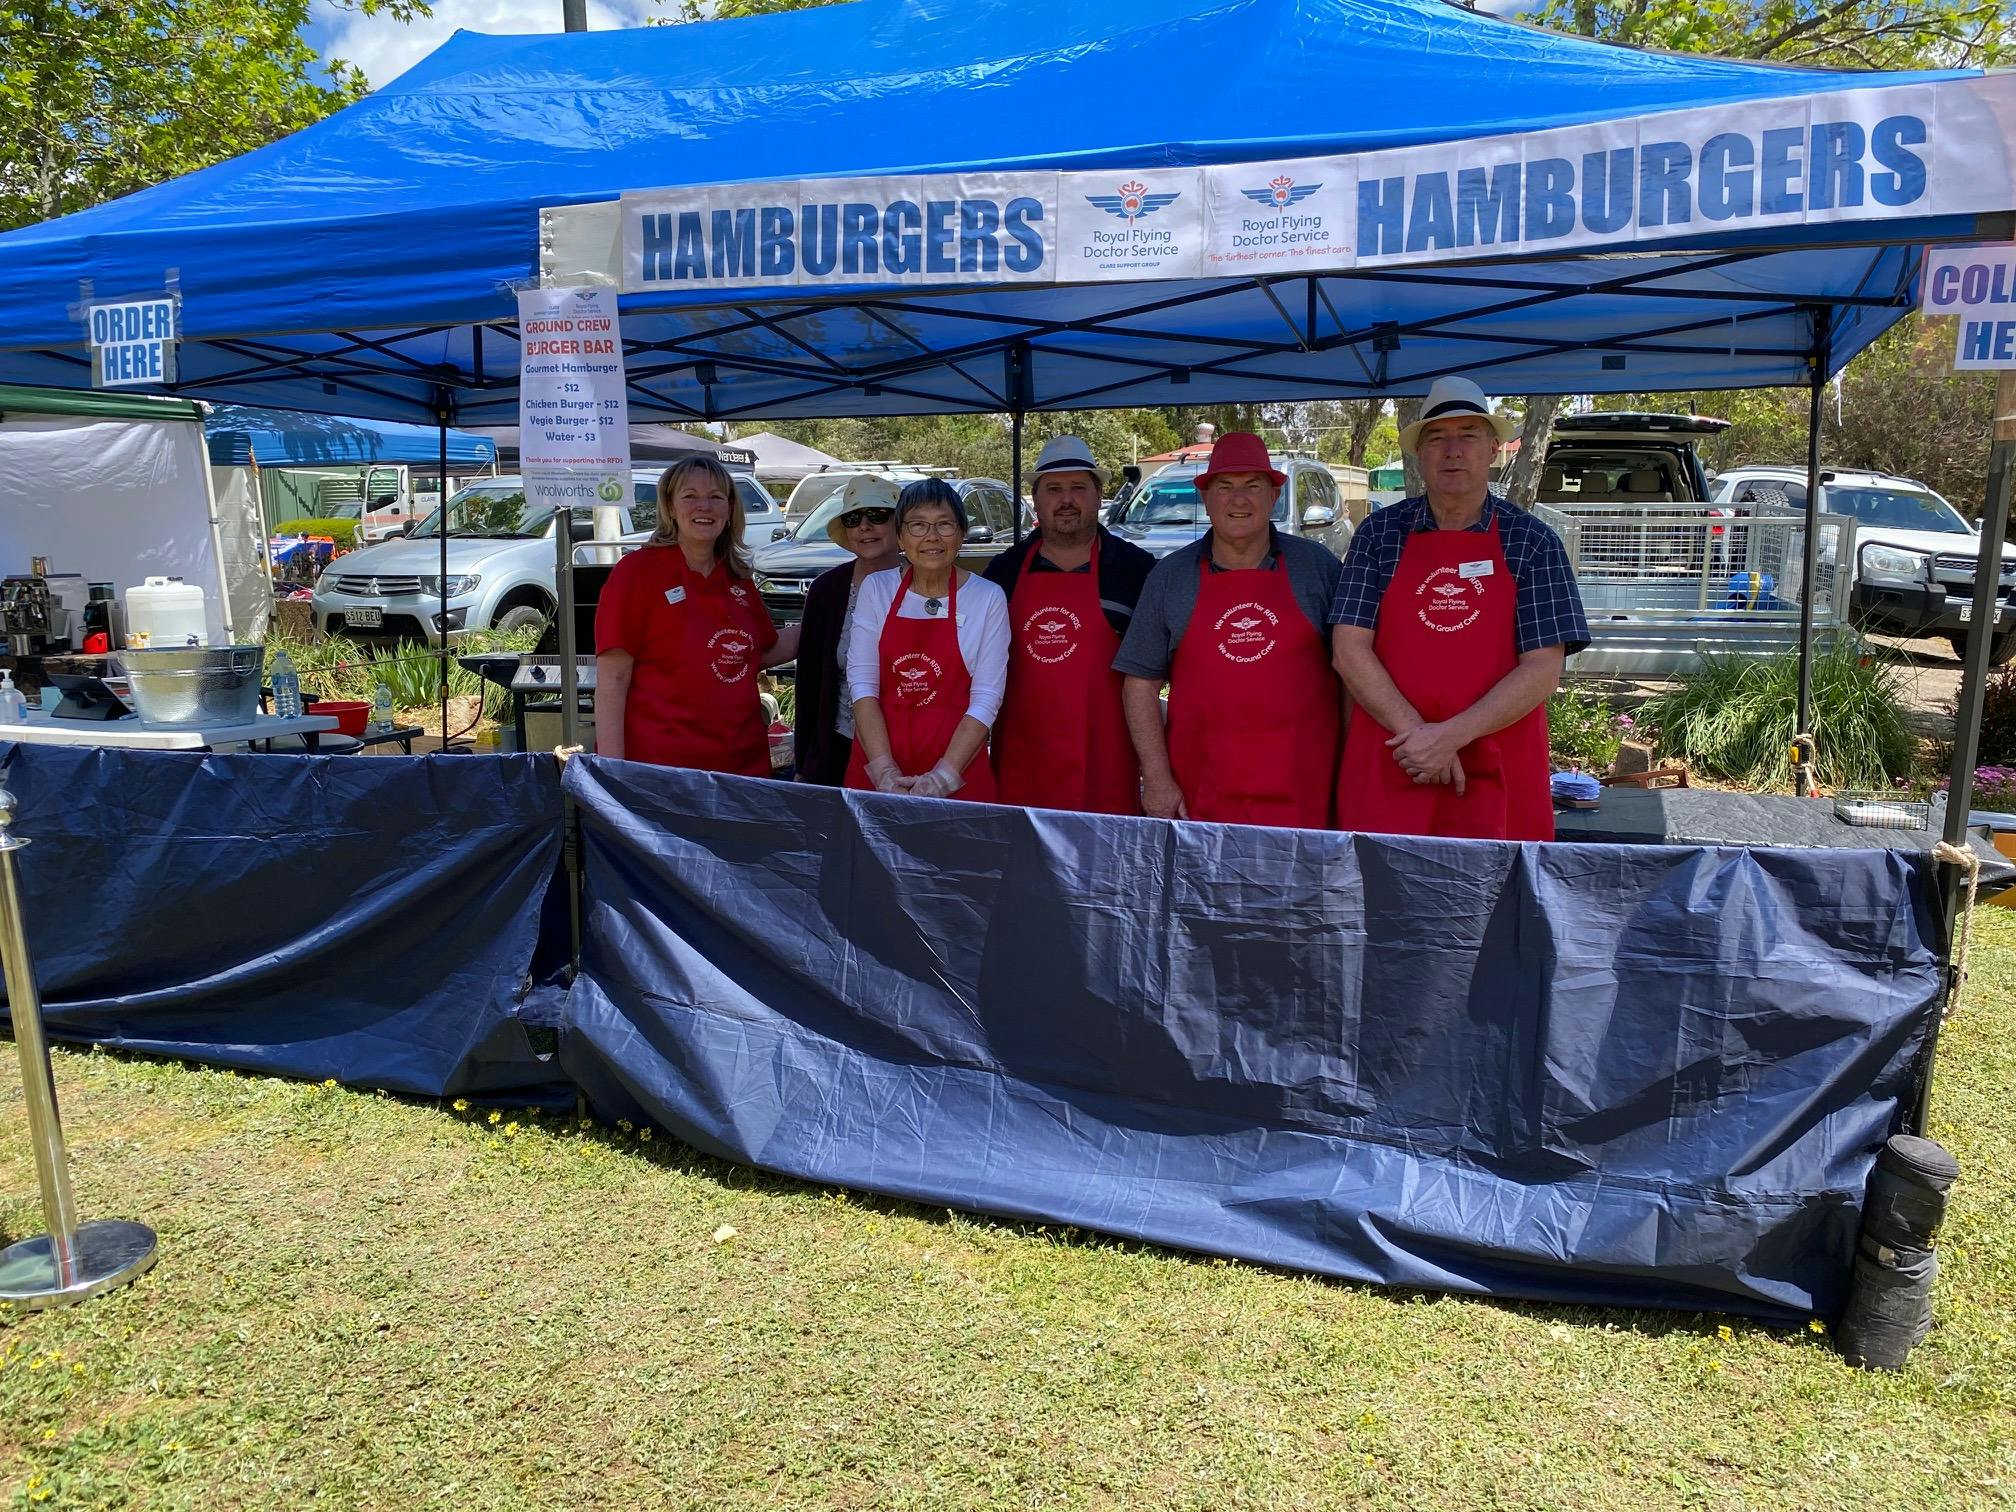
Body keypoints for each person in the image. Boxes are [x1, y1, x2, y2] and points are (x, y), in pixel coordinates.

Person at [1331, 376, 1589, 841]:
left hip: (1496, 763)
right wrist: (1418, 738)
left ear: (1493, 449)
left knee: (1495, 905)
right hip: (1394, 758)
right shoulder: (1377, 535)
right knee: (1380, 904)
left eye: (1468, 436)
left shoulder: (1532, 542)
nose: (1453, 450)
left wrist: (1449, 737)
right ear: (1419, 453)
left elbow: (1542, 670)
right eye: (1437, 438)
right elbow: (1349, 649)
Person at [1114, 432, 1344, 828]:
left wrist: (1350, 771)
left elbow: (1352, 672)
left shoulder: (1317, 568)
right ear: (1206, 497)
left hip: (1307, 793)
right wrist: (1156, 778)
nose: (1239, 500)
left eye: (1253, 486)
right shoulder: (1170, 577)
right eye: (1225, 487)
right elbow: (1140, 684)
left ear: (1274, 496)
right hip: (1200, 797)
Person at [594, 455, 799, 773]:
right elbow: (613, 678)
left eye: (716, 497)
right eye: (690, 496)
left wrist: (832, 615)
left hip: (742, 770)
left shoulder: (736, 578)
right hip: (662, 774)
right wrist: (612, 772)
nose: (704, 506)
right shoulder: (637, 574)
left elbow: (762, 651)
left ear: (730, 510)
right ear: (671, 508)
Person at [984, 435, 1156, 813]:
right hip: (1023, 762)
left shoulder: (1137, 570)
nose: (1066, 500)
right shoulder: (1003, 572)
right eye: (1054, 489)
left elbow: (1157, 675)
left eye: (1079, 488)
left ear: (1098, 496)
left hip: (1108, 763)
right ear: (1036, 499)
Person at [844, 478, 1010, 800]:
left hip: (958, 773)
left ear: (961, 533)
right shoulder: (877, 589)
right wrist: (883, 771)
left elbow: (987, 697)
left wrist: (943, 777)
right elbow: (862, 683)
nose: (931, 537)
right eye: (917, 525)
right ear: (901, 535)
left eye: (944, 525)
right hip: (878, 771)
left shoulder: (987, 597)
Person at [793, 475, 903, 785]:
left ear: (900, 524)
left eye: (878, 515)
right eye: (854, 518)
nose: (864, 526)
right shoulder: (826, 589)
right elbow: (810, 680)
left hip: (911, 749)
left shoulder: (928, 584)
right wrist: (805, 760)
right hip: (839, 746)